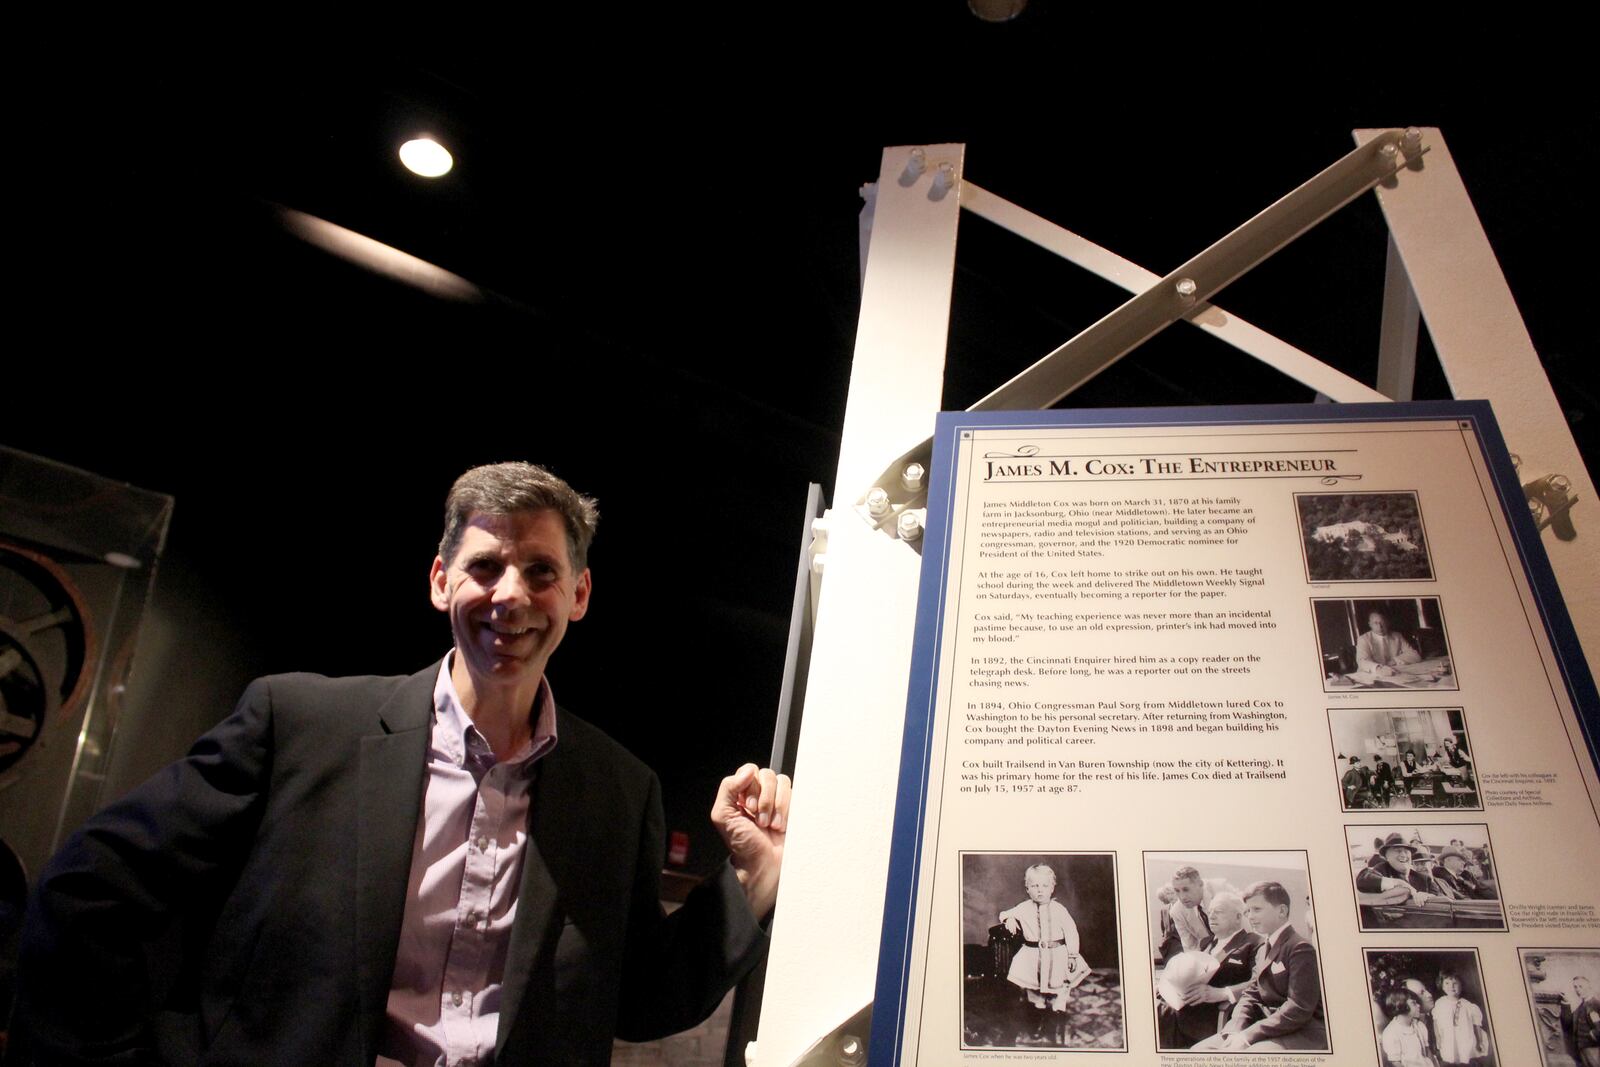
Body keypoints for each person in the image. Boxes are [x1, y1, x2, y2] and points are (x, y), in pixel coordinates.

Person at [12, 462, 792, 1066]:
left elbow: (639, 998)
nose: (509, 595)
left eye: (542, 572)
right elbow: (88, 895)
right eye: (485, 565)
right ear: (440, 579)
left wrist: (750, 884)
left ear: (579, 593)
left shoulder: (622, 791)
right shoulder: (301, 725)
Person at [1192, 881, 1326, 1051]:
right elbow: (1252, 992)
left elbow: (1298, 1008)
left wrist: (1249, 1035)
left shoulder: (1300, 948)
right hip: (1265, 1025)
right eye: (1248, 911)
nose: (1250, 916)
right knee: (1200, 1051)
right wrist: (1235, 1029)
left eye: (1257, 909)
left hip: (1303, 1030)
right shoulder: (1264, 947)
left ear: (1282, 911)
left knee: (1245, 1058)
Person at [1156, 891, 1262, 1049]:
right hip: (1179, 1004)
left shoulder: (1253, 943)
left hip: (1209, 1016)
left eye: (1218, 912)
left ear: (1238, 917)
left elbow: (1260, 982)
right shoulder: (1206, 943)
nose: (1211, 916)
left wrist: (1222, 993)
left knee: (1152, 1016)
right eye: (1210, 912)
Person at [998, 864, 1090, 1045]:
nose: (1039, 891)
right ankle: (1038, 1014)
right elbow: (1003, 913)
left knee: (1060, 987)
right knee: (1034, 990)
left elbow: (1071, 932)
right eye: (1034, 886)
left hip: (1058, 955)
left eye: (1044, 886)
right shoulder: (1023, 908)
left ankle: (1055, 1017)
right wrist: (1009, 918)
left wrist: (1072, 954)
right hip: (1032, 956)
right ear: (1027, 889)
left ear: (1052, 887)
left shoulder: (1059, 909)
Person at [1432, 970, 1488, 1065]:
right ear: (1442, 985)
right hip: (1448, 1038)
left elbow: (1476, 1025)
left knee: (1465, 1058)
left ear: (1461, 985)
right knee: (1450, 1057)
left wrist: (1479, 1041)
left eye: (1455, 983)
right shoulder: (1440, 1003)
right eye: (1447, 983)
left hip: (1464, 1038)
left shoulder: (1468, 1005)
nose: (1451, 986)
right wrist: (1438, 1037)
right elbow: (1436, 1021)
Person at [1356, 610, 1422, 676]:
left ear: (1387, 622)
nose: (1380, 626)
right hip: (1370, 675)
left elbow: (1415, 655)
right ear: (1370, 624)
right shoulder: (1363, 639)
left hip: (1395, 673)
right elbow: (1362, 661)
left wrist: (1395, 661)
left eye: (1382, 622)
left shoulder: (1397, 636)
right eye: (1375, 623)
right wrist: (1378, 668)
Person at [1380, 991, 1436, 1067]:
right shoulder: (1391, 1033)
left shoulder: (1419, 1025)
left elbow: (1427, 1051)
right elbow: (1396, 1062)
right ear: (1400, 1006)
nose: (1418, 1006)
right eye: (1414, 1003)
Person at [1167, 866, 1214, 954]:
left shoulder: (1218, 893)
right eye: (1177, 891)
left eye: (1186, 889)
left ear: (1200, 884)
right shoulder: (1177, 912)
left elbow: (1244, 932)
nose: (1182, 897)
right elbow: (1190, 947)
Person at [1567, 975, 1600, 1067]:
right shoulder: (1581, 1006)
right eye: (1575, 987)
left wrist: (1594, 1034)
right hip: (1581, 1048)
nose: (1577, 990)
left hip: (1593, 1048)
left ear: (1589, 987)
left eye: (1580, 986)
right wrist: (1565, 1004)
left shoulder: (1596, 1004)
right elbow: (1568, 1023)